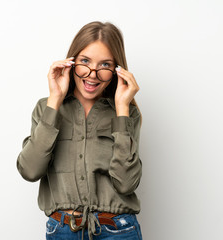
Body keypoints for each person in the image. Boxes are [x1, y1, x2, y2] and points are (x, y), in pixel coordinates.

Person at [16, 21, 143, 240]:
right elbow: (30, 171)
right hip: (63, 230)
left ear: (116, 71)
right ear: (72, 62)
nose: (92, 74)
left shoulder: (126, 113)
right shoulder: (46, 108)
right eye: (85, 61)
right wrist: (55, 99)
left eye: (104, 65)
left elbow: (126, 183)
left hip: (118, 230)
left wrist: (122, 108)